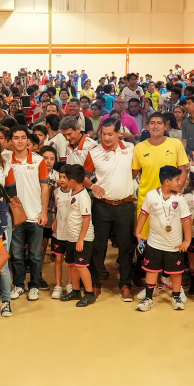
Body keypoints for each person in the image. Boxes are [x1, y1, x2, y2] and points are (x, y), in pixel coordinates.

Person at [83, 117, 138, 301]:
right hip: (102, 206)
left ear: (118, 133)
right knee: (98, 247)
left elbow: (135, 171)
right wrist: (92, 186)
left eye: (110, 134)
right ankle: (96, 283)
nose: (106, 138)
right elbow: (84, 176)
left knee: (126, 247)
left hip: (125, 205)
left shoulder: (130, 149)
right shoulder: (94, 152)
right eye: (103, 134)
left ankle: (125, 285)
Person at [135, 165, 191, 311]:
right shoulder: (151, 195)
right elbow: (144, 214)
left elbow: (186, 220)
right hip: (155, 242)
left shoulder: (180, 199)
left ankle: (177, 296)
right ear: (167, 181)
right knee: (151, 270)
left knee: (176, 272)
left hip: (174, 244)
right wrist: (138, 232)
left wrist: (187, 240)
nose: (180, 183)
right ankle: (148, 298)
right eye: (177, 180)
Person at [6, 125, 50, 301]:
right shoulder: (6, 160)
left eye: (23, 137)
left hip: (35, 215)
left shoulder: (39, 161)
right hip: (15, 217)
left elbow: (45, 187)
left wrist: (44, 212)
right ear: (11, 141)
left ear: (28, 140)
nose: (20, 141)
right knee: (16, 255)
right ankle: (18, 285)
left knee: (36, 255)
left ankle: (35, 285)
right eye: (16, 138)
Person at [56, 164, 96, 307]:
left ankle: (90, 294)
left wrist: (81, 239)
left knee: (81, 266)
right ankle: (76, 291)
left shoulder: (83, 197)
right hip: (71, 236)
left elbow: (86, 219)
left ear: (72, 181)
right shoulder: (73, 192)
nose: (63, 180)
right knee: (72, 264)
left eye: (65, 178)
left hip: (82, 238)